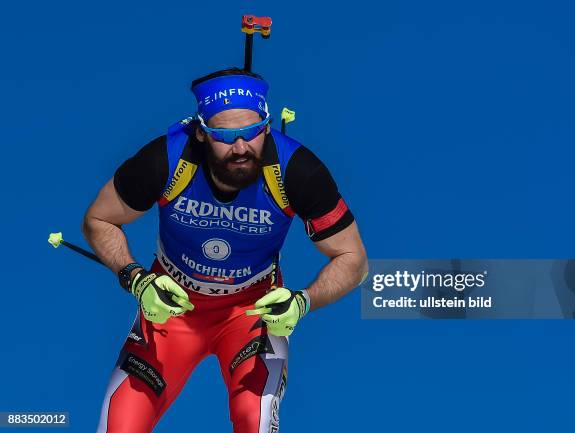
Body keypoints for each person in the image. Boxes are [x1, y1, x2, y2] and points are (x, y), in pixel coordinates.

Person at [83, 67, 368, 433]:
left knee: (255, 421)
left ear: (267, 126)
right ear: (200, 132)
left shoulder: (295, 170)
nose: (240, 148)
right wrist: (136, 279)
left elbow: (353, 259)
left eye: (252, 132)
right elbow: (99, 220)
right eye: (224, 135)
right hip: (172, 311)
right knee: (120, 426)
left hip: (250, 314)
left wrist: (302, 302)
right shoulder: (167, 159)